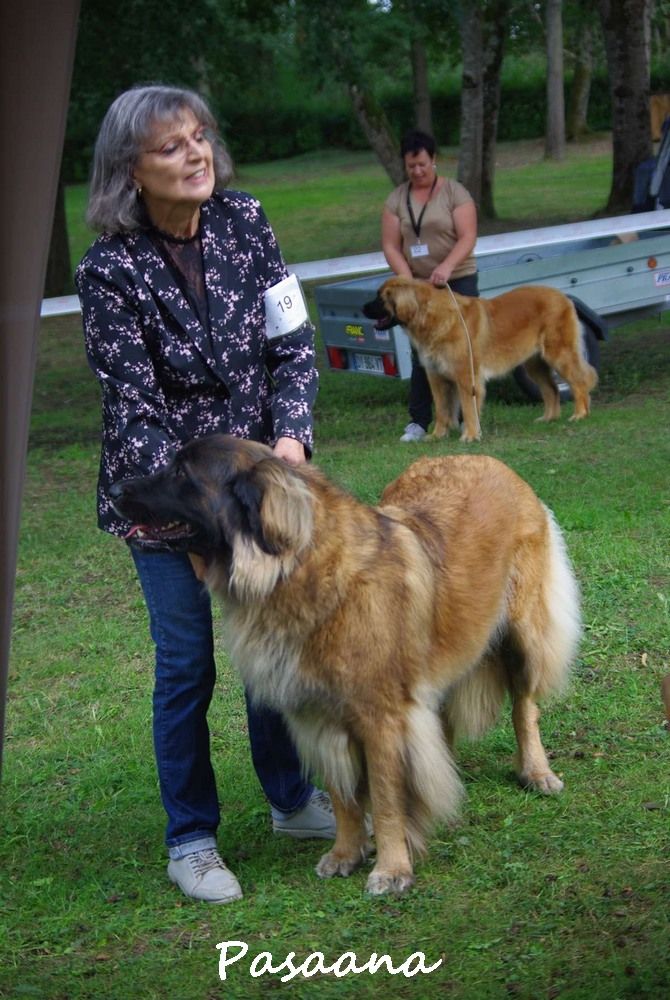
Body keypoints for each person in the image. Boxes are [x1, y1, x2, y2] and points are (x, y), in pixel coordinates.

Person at [76, 84, 335, 905]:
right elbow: (137, 412)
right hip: (167, 501)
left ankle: (292, 800)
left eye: (199, 138)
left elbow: (291, 342)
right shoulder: (107, 273)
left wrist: (290, 441)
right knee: (188, 665)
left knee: (272, 650)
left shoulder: (245, 220)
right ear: (129, 172)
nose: (195, 155)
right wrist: (198, 536)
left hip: (261, 491)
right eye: (170, 146)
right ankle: (190, 838)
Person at [381, 129, 479, 441]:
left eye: (423, 164)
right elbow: (391, 245)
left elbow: (468, 236)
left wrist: (447, 267)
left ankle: (468, 418)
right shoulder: (397, 199)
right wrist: (407, 280)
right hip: (418, 288)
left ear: (434, 160)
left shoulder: (455, 193)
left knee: (463, 351)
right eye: (411, 166)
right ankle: (420, 420)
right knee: (422, 353)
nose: (418, 171)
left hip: (456, 281)